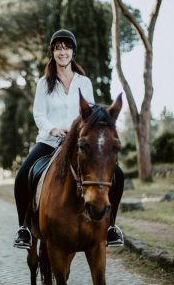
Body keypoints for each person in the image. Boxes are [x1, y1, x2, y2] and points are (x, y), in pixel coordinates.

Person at [13, 29, 124, 249]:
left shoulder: (85, 82)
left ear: (73, 52)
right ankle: (24, 228)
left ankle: (110, 226)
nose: (62, 52)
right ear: (52, 53)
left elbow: (89, 113)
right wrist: (53, 130)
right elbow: (39, 114)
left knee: (117, 175)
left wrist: (80, 132)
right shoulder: (44, 83)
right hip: (49, 141)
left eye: (66, 47)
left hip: (77, 142)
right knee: (23, 175)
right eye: (58, 48)